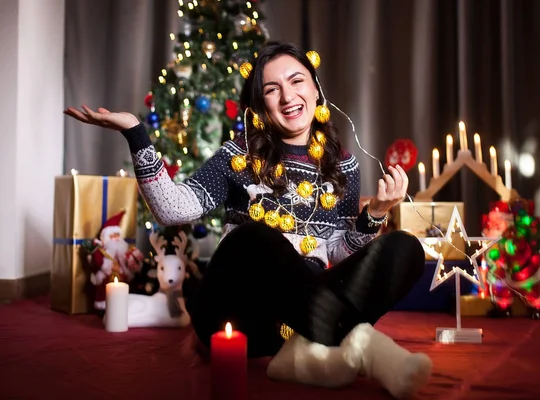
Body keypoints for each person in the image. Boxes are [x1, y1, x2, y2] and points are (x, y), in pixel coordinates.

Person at [65, 41, 432, 398]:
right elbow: (171, 209)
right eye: (272, 89)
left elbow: (337, 251)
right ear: (260, 105)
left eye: (297, 80)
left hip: (293, 322)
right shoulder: (238, 156)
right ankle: (371, 349)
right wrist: (135, 132)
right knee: (254, 238)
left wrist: (377, 213)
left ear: (316, 90)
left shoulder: (344, 165)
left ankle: (302, 354)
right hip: (239, 318)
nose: (288, 97)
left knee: (405, 248)